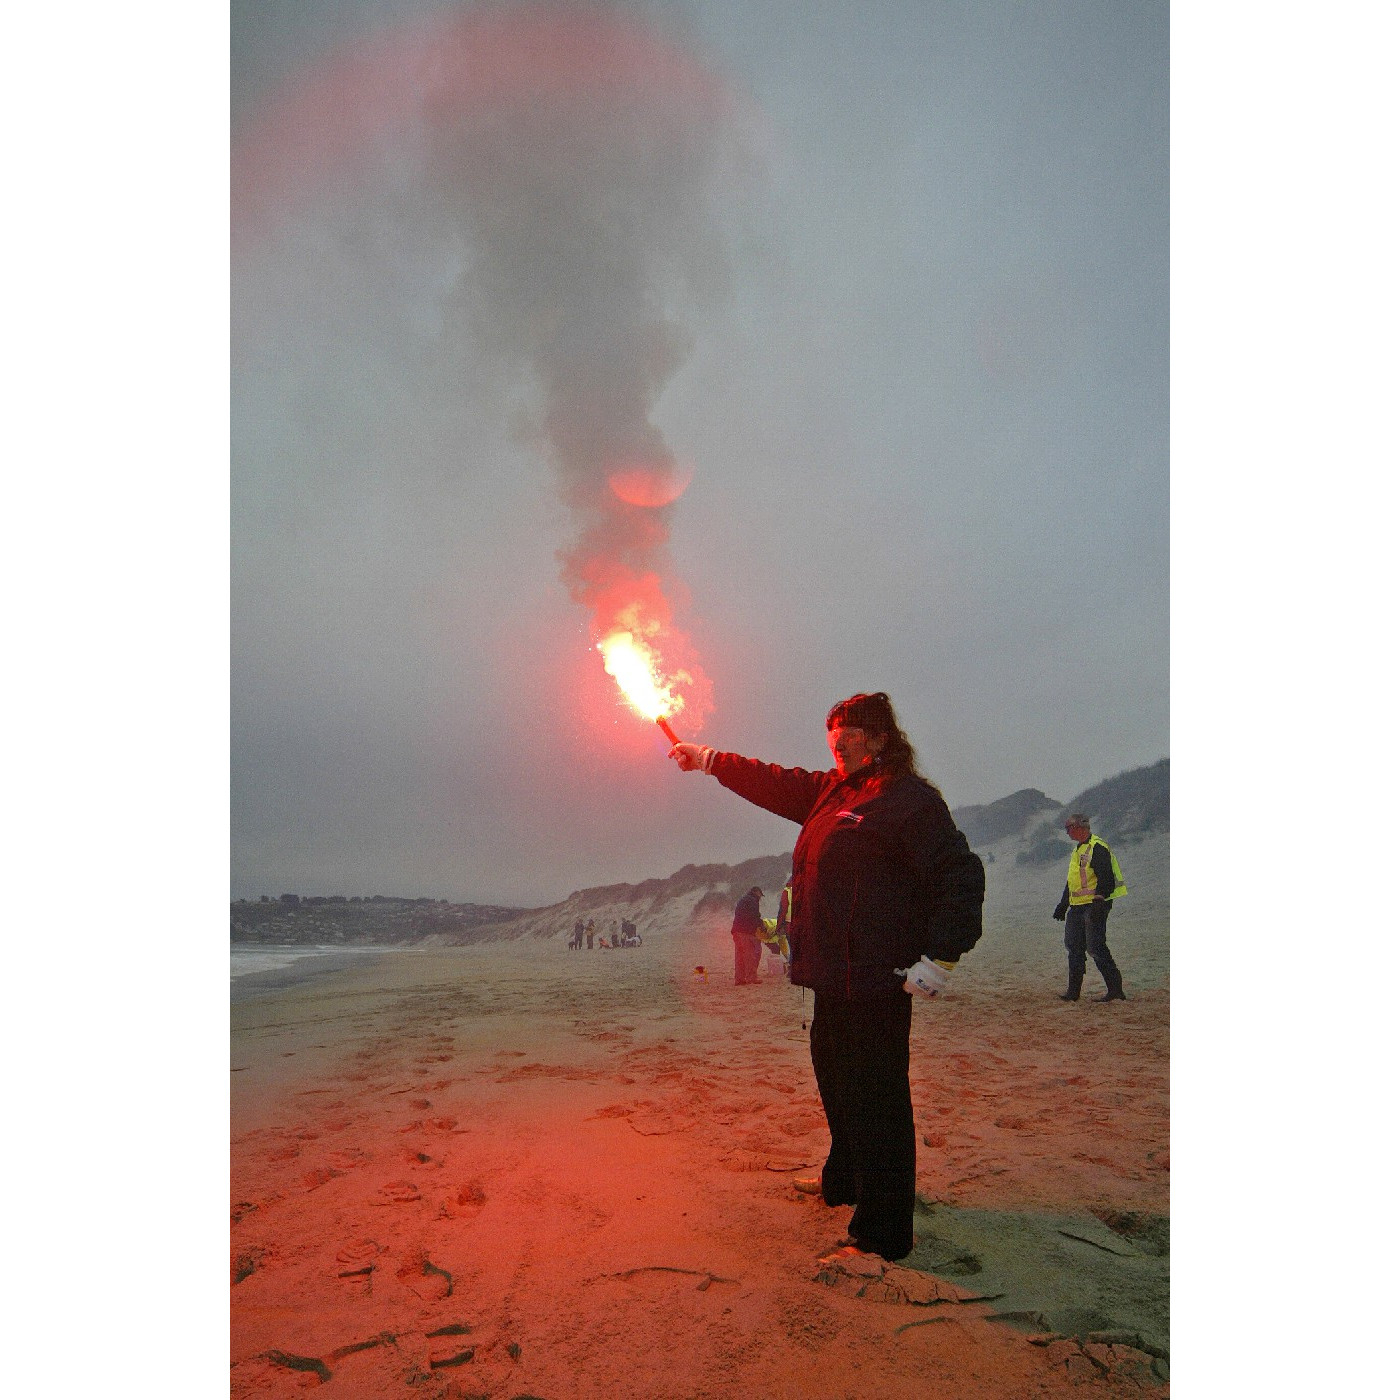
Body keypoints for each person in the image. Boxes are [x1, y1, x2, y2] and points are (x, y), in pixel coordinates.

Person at [668, 691, 984, 1263]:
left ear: (882, 738)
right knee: (837, 1082)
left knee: (877, 1096)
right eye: (833, 733)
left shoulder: (908, 801)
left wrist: (941, 959)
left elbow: (959, 875)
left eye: (853, 734)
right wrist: (708, 758)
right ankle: (848, 1183)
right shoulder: (833, 792)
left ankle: (883, 1233)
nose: (840, 742)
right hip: (831, 974)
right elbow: (773, 781)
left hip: (878, 976)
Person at [1052, 812, 1127, 1002]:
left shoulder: (1097, 847)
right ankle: (1073, 993)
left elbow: (1106, 877)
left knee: (1095, 947)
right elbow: (1073, 881)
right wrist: (1063, 904)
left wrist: (1099, 901)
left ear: (1078, 827)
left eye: (1068, 828)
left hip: (1094, 906)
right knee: (1074, 947)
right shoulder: (1078, 850)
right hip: (1077, 907)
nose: (1067, 833)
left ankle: (1115, 991)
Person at [730, 886, 765, 985]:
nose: (760, 898)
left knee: (740, 956)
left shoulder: (743, 899)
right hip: (746, 932)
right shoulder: (753, 901)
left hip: (736, 931)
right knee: (750, 956)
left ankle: (739, 979)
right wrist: (761, 925)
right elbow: (754, 916)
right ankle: (751, 978)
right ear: (757, 892)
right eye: (760, 895)